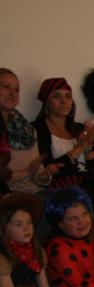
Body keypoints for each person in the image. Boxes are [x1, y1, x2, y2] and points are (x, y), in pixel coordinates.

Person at [34, 77, 94, 244]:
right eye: (56, 96)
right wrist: (78, 149)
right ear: (46, 101)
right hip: (61, 187)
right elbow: (48, 168)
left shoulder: (77, 127)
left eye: (68, 96)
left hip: (87, 183)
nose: (64, 101)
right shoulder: (38, 128)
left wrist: (89, 148)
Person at [0, 192, 94, 287]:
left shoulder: (37, 251)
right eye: (18, 225)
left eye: (29, 223)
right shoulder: (3, 257)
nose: (26, 228)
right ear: (4, 229)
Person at [0, 68, 49, 197]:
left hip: (37, 192)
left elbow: (37, 174)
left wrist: (45, 175)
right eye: (6, 86)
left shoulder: (27, 129)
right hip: (11, 196)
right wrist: (28, 172)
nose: (12, 93)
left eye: (17, 89)